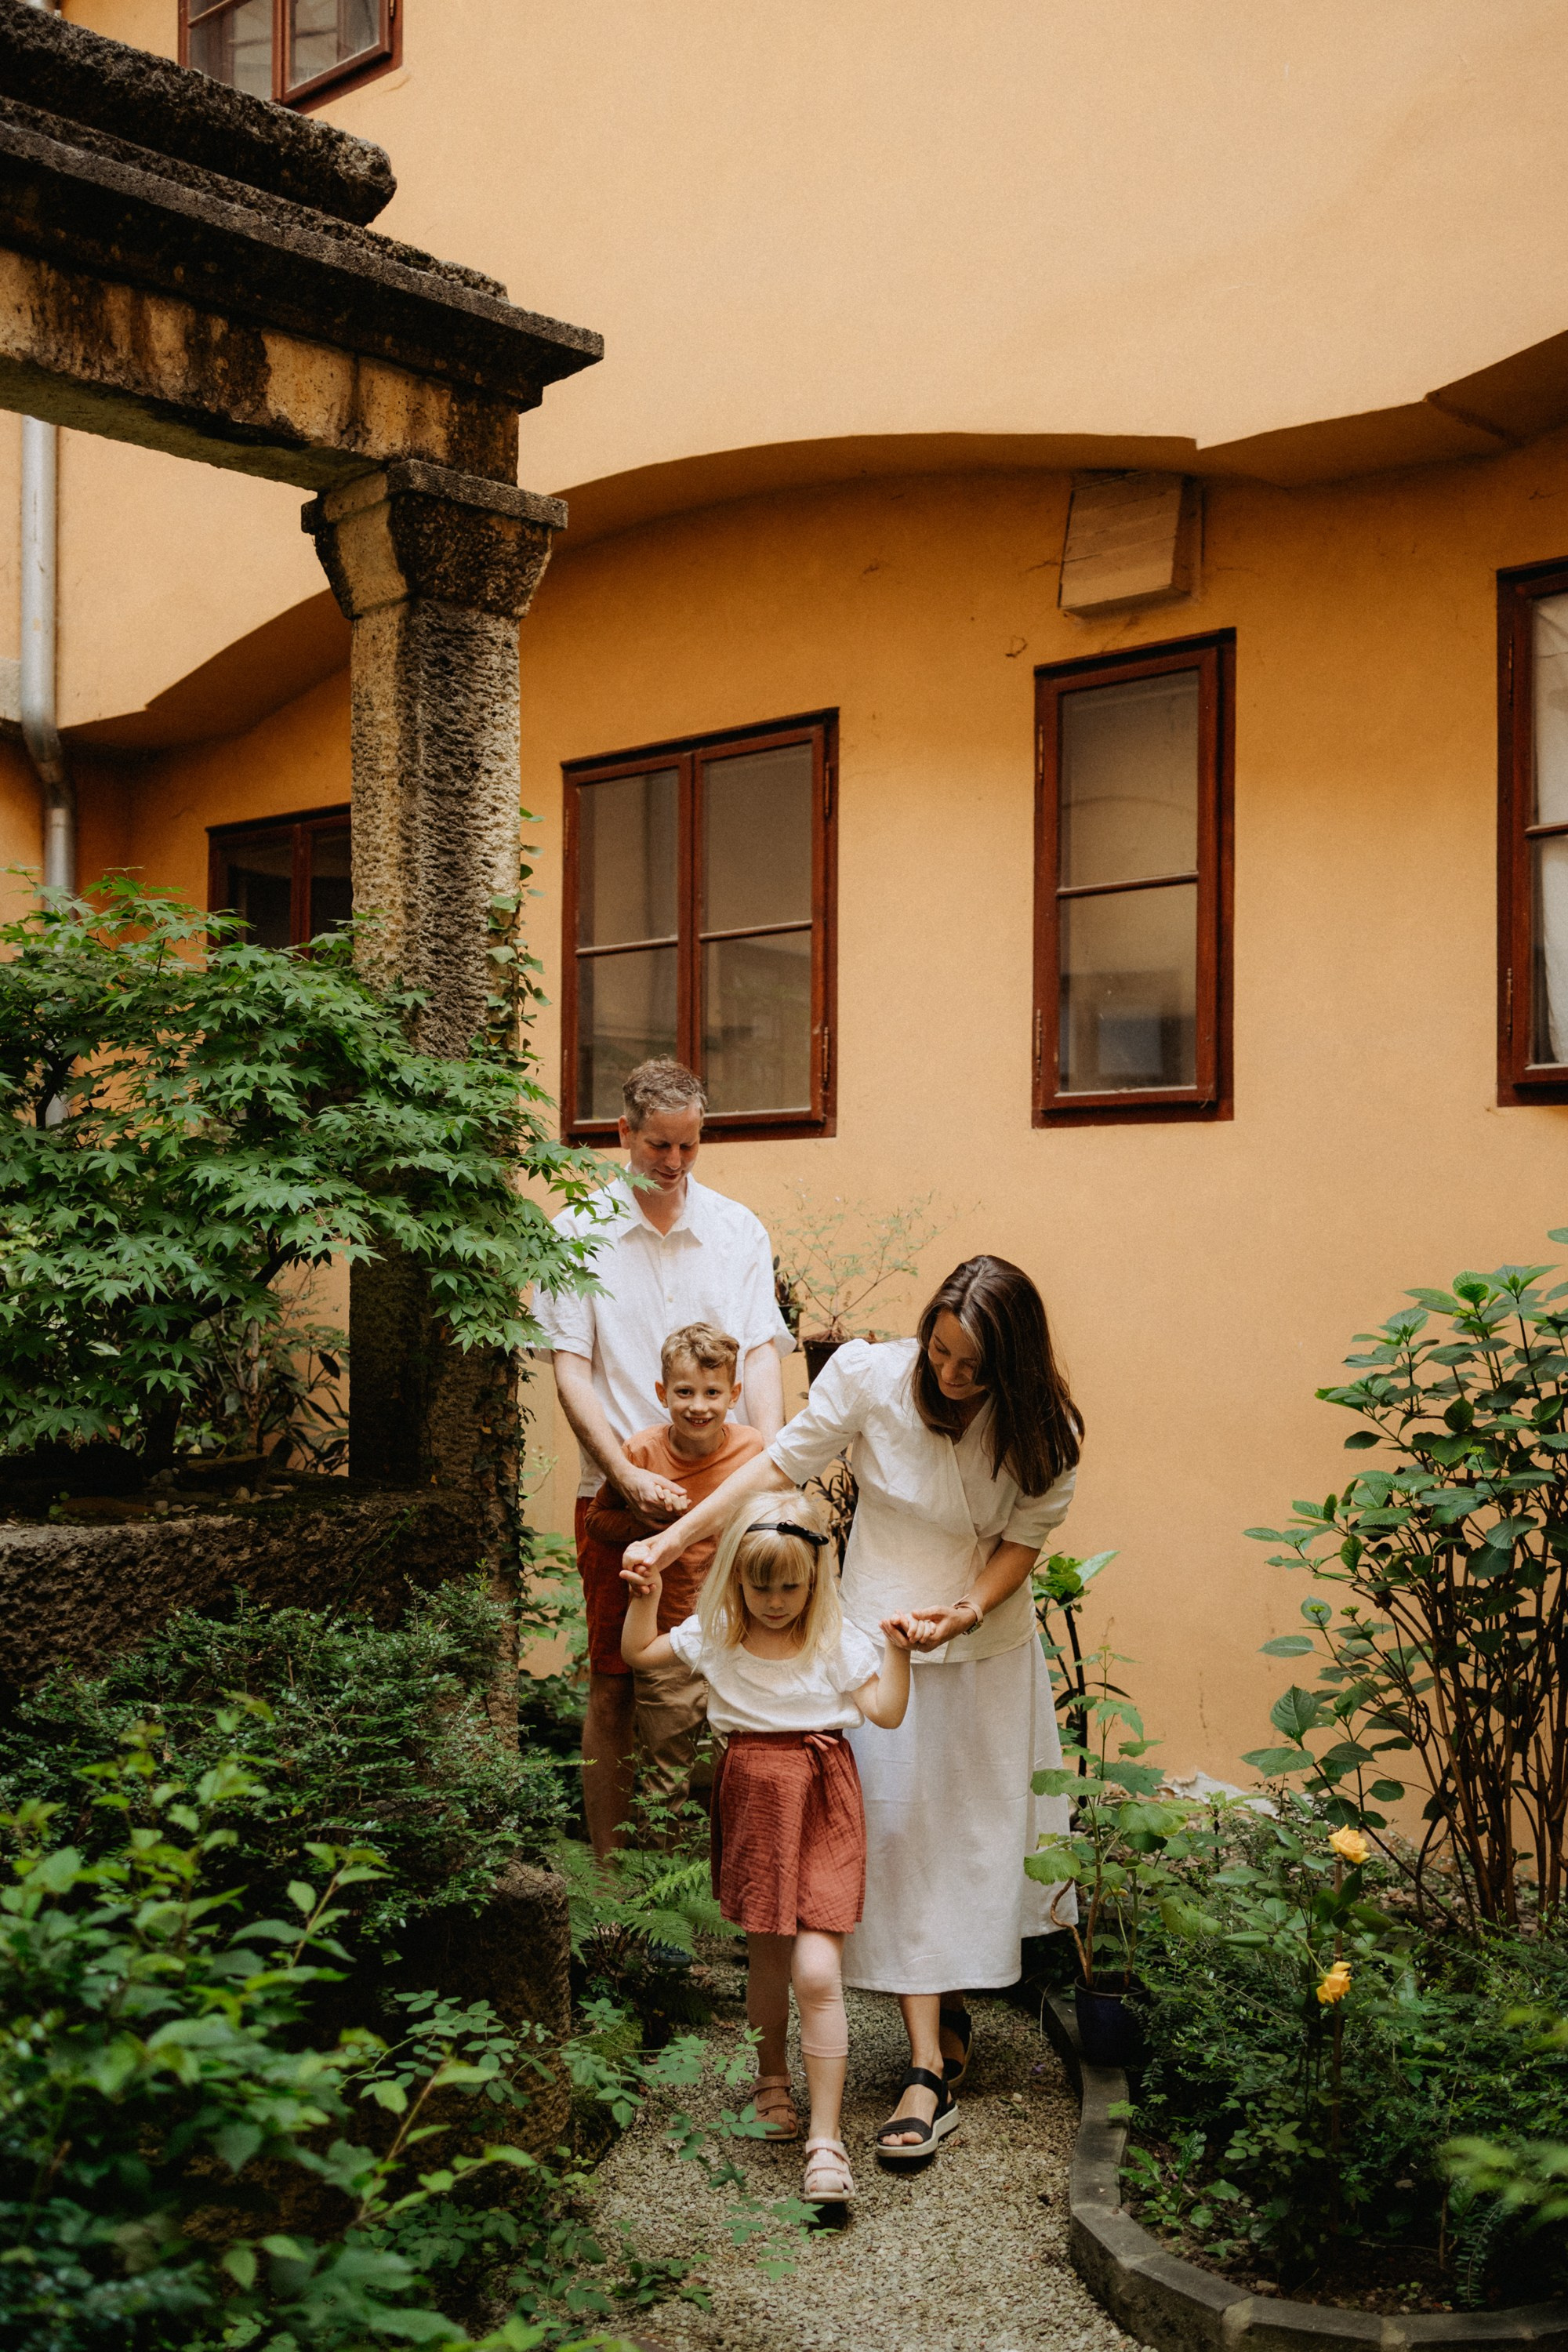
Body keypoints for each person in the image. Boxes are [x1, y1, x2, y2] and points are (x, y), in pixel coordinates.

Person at [623, 1254, 1081, 2163]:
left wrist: (967, 1608)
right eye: (942, 1354)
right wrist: (671, 1539)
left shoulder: (1046, 1430)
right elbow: (771, 1472)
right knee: (896, 1841)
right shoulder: (871, 1376)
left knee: (965, 1841)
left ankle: (941, 2032)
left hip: (978, 1644)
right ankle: (925, 2063)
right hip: (870, 1640)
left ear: (1013, 1369)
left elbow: (1022, 1542)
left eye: (972, 1368)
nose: (949, 1377)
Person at [621, 1490, 915, 2205]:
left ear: (814, 1579)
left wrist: (900, 1652)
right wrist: (647, 1594)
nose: (776, 1600)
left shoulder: (835, 1641)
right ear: (737, 1578)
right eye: (761, 1585)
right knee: (767, 1954)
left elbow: (885, 1711)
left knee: (817, 1968)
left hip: (823, 1795)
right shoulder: (718, 1634)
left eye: (790, 1585)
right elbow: (639, 1655)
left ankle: (827, 2139)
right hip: (754, 1794)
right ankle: (771, 2082)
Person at [532, 1058, 793, 1859]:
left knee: (741, 1678)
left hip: (730, 1493)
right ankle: (612, 1879)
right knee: (615, 1682)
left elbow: (759, 1353)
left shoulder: (736, 1229)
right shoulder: (576, 1230)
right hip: (618, 1496)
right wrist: (624, 1473)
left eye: (687, 1147)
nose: (672, 1165)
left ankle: (722, 1872)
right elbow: (569, 1367)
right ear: (623, 1134)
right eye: (656, 1147)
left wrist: (771, 1476)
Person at [580, 1321, 764, 1675]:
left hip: (741, 1628)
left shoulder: (752, 1448)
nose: (699, 1407)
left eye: (713, 1393)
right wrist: (649, 1520)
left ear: (734, 1394)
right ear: (662, 1393)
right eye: (684, 1392)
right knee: (667, 1726)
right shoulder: (640, 1453)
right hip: (668, 1633)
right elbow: (596, 1520)